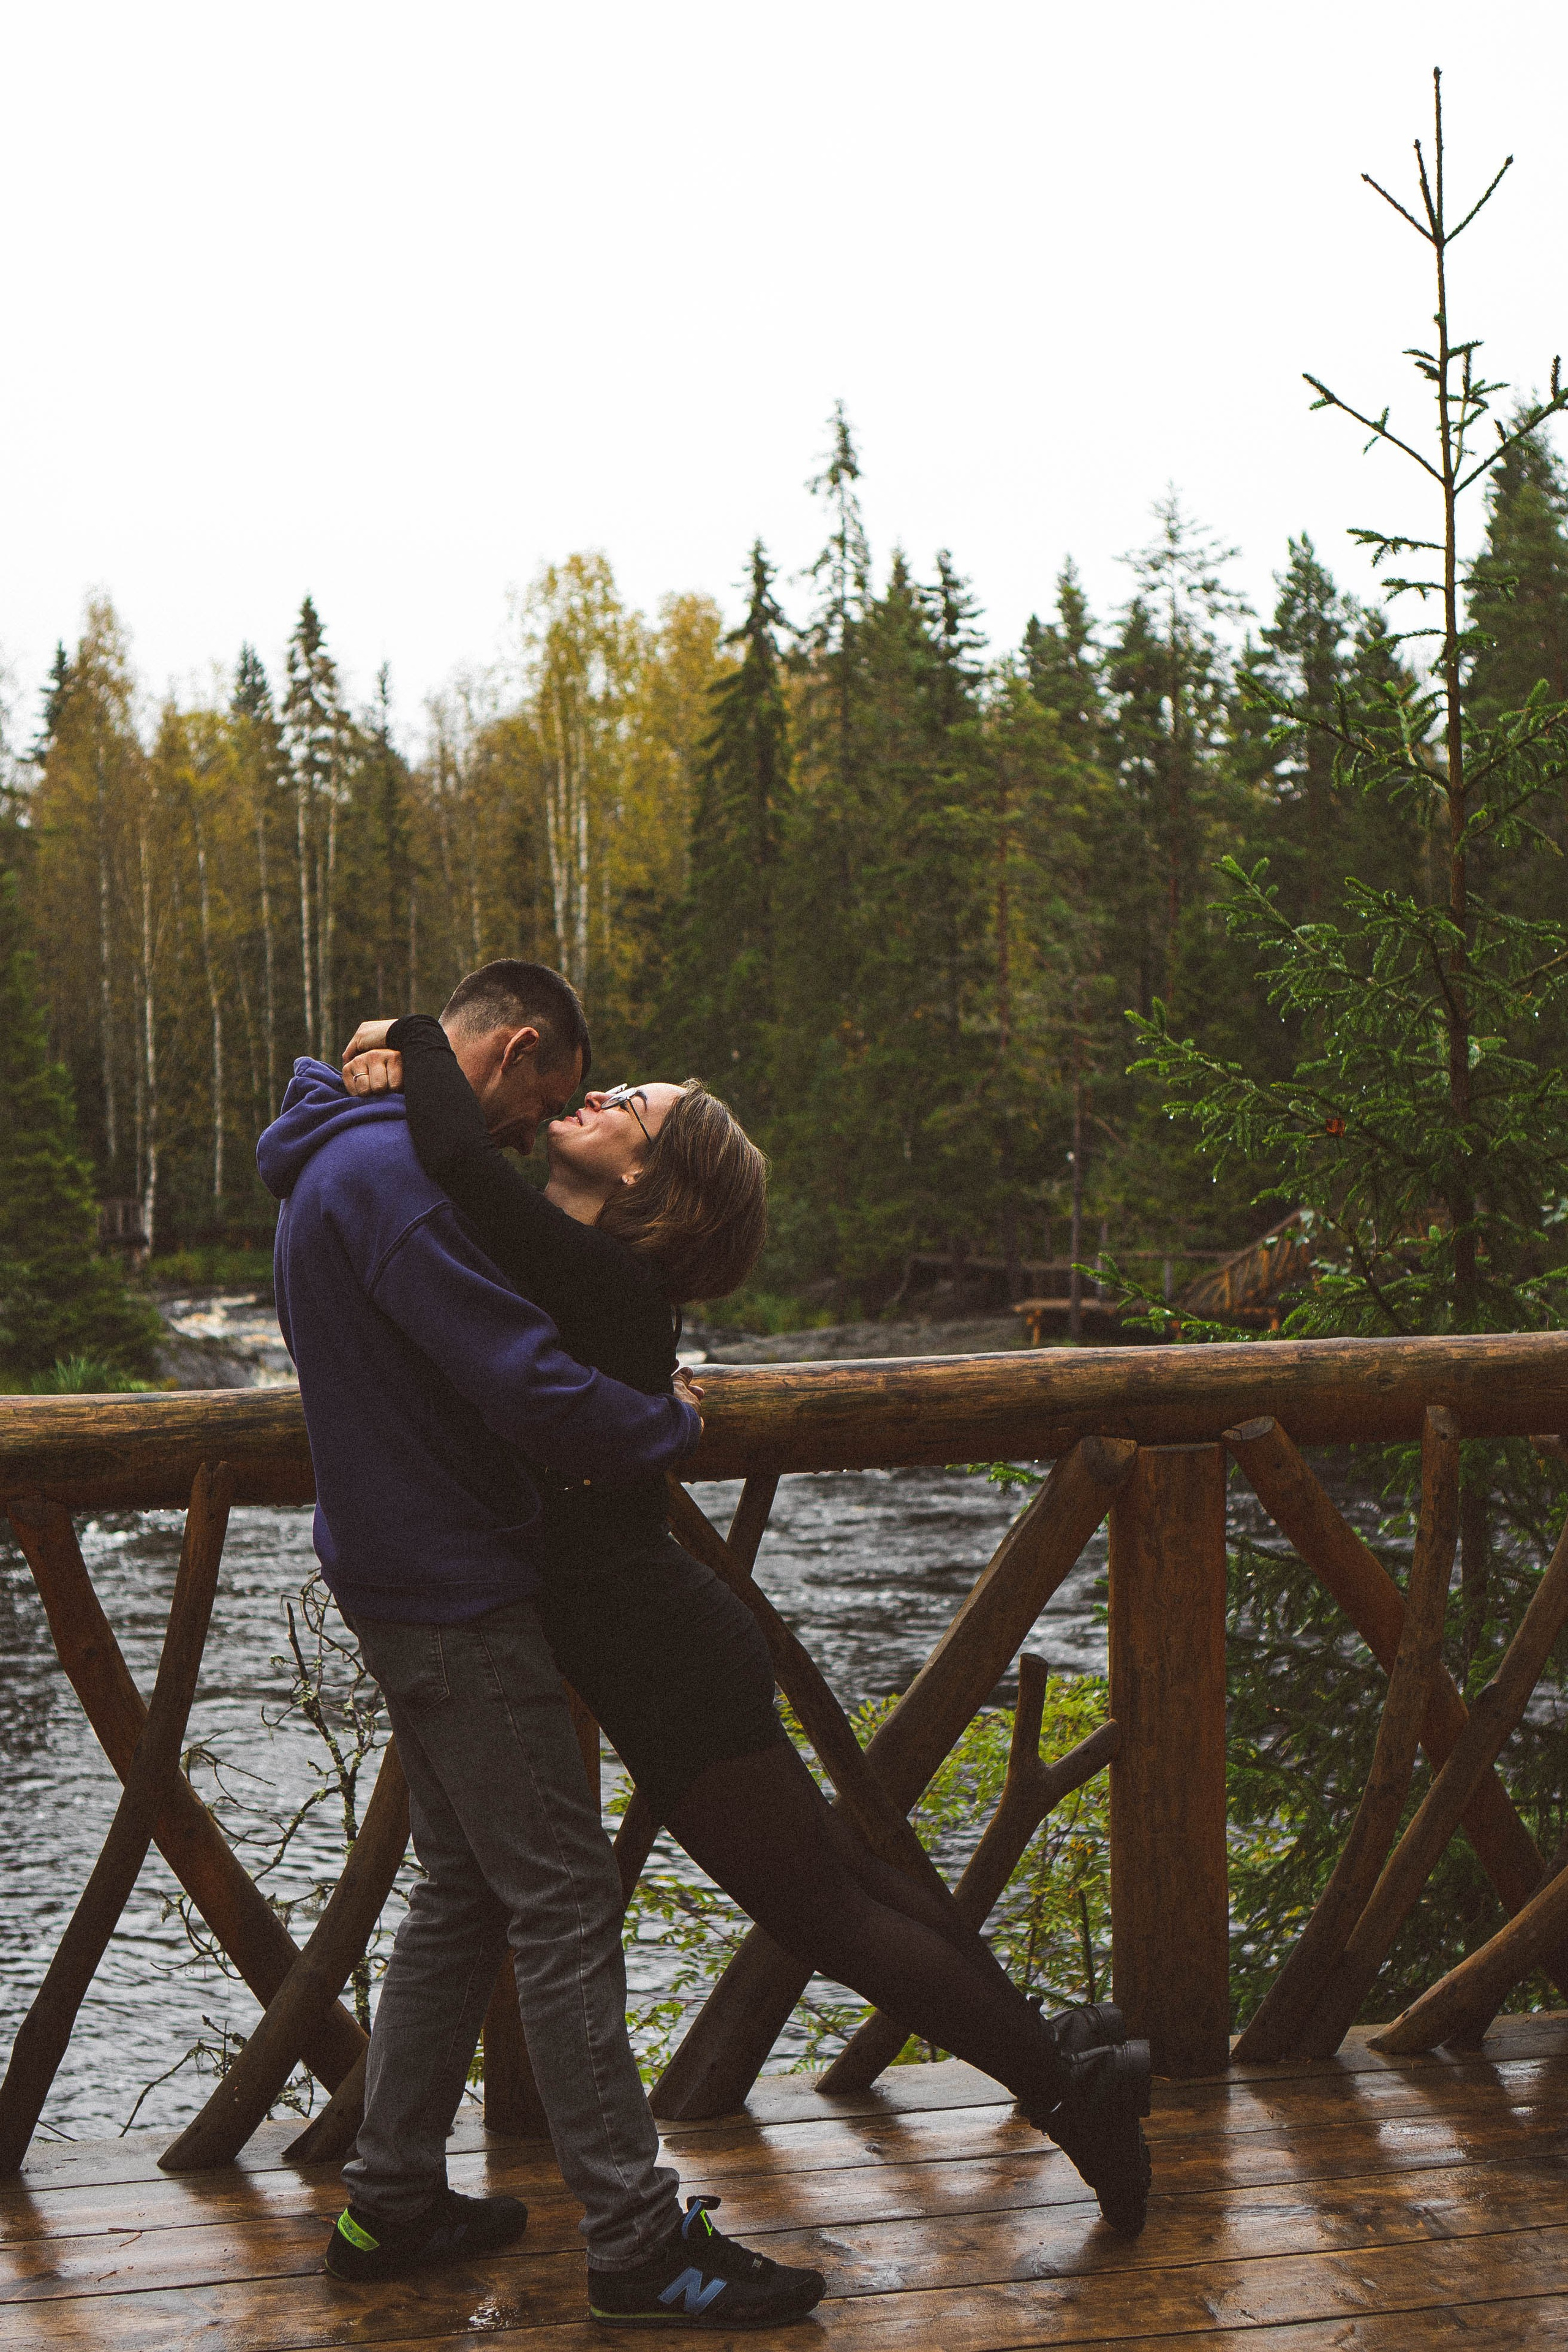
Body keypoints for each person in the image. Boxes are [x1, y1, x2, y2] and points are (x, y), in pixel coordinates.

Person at [339, 1007, 1155, 2237]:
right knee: (842, 1880)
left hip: (660, 1653)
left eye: (634, 1108)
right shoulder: (564, 1267)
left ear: (641, 1178)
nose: (603, 1098)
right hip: (656, 1635)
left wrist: (405, 1029)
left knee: (822, 1909)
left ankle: (1064, 2093)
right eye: (616, 1089)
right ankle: (1065, 2059)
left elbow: (455, 1158)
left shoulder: (601, 1279)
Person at [258, 960, 826, 2330]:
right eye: (546, 1107)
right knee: (565, 1898)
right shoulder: (393, 1181)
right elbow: (523, 1381)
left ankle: (391, 2198)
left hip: (403, 1569)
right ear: (514, 1057)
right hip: (449, 1587)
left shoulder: (338, 1143)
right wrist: (672, 1425)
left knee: (462, 1890)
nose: (530, 1139)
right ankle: (637, 2246)